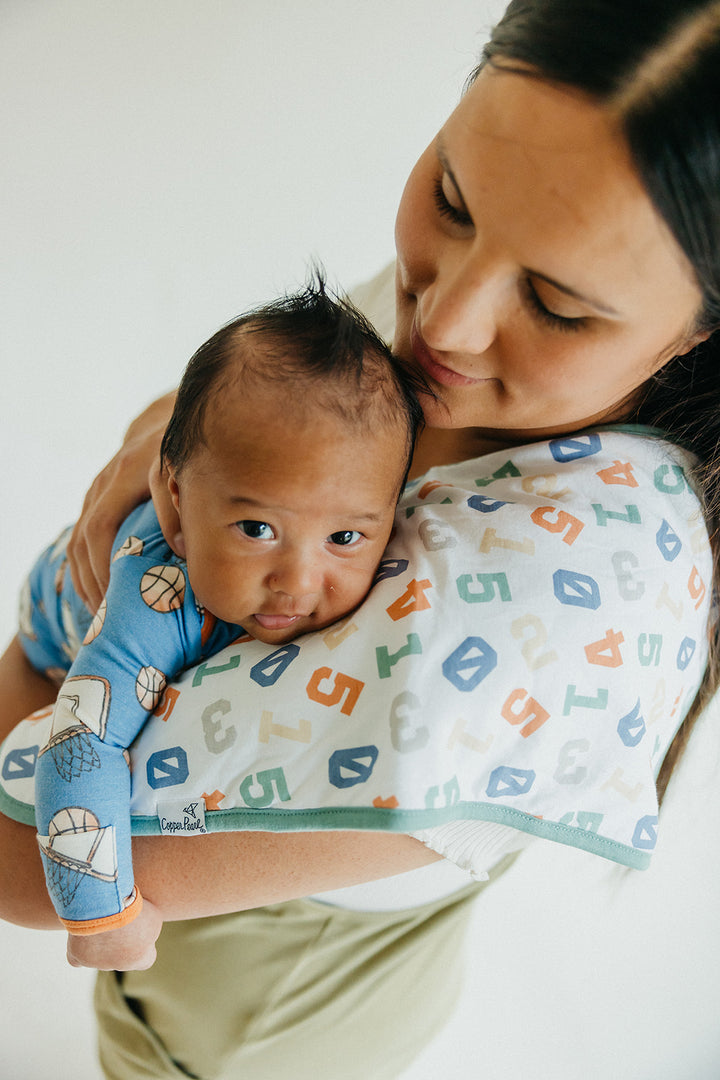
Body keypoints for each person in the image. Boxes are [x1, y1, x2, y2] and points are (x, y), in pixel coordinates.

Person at [1, 1, 720, 1076]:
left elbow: (25, 860)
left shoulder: (552, 606)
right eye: (452, 197)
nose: (444, 323)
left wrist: (44, 642)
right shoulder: (465, 332)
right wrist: (168, 429)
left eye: (559, 307)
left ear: (700, 331)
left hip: (244, 1040)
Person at [6, 278, 426, 971]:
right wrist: (100, 917)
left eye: (346, 538)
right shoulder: (156, 605)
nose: (296, 580)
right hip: (50, 630)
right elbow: (79, 747)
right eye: (257, 528)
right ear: (174, 504)